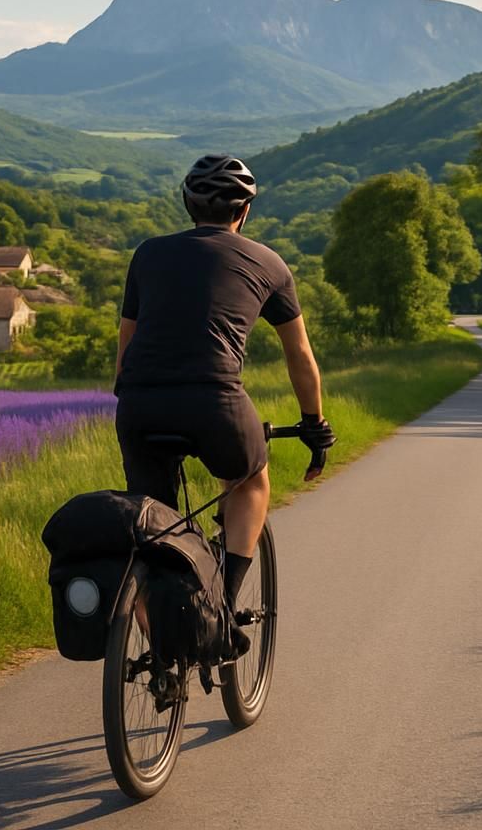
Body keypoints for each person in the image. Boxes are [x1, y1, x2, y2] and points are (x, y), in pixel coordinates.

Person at [114, 154, 335, 616]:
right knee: (250, 480)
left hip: (140, 402)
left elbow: (127, 345)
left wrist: (133, 400)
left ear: (187, 205)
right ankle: (225, 608)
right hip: (215, 400)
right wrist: (314, 422)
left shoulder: (148, 253)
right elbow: (299, 354)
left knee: (152, 523)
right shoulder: (269, 264)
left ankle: (161, 657)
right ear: (245, 211)